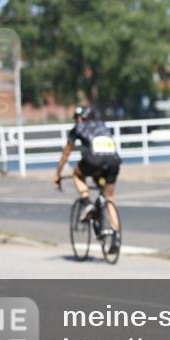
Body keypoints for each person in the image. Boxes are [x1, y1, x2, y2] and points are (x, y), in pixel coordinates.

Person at [53, 106, 121, 250]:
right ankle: (116, 235)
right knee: (109, 197)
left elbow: (66, 153)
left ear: (79, 118)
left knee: (77, 174)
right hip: (113, 161)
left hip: (93, 161)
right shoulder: (102, 125)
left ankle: (86, 202)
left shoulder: (78, 128)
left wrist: (58, 174)